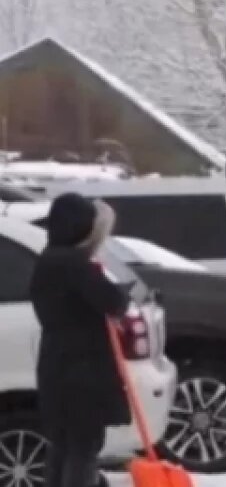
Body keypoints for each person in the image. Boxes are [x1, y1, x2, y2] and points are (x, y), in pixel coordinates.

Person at [31, 193, 130, 487]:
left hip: (55, 365)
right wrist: (122, 293)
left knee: (62, 446)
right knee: (84, 449)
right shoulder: (75, 264)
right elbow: (112, 301)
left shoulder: (46, 260)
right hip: (83, 372)